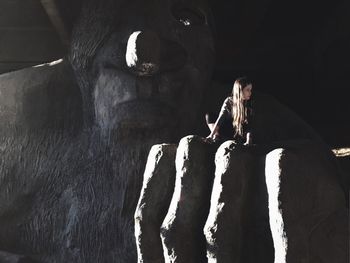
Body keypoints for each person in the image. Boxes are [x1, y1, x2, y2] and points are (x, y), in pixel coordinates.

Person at [206, 76, 254, 145]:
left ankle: (237, 141)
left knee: (244, 123)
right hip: (227, 129)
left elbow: (249, 125)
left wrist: (248, 140)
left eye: (250, 90)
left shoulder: (249, 104)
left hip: (238, 133)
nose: (250, 93)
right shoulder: (229, 101)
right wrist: (211, 135)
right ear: (240, 90)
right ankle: (216, 137)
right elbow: (220, 118)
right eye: (247, 90)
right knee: (209, 115)